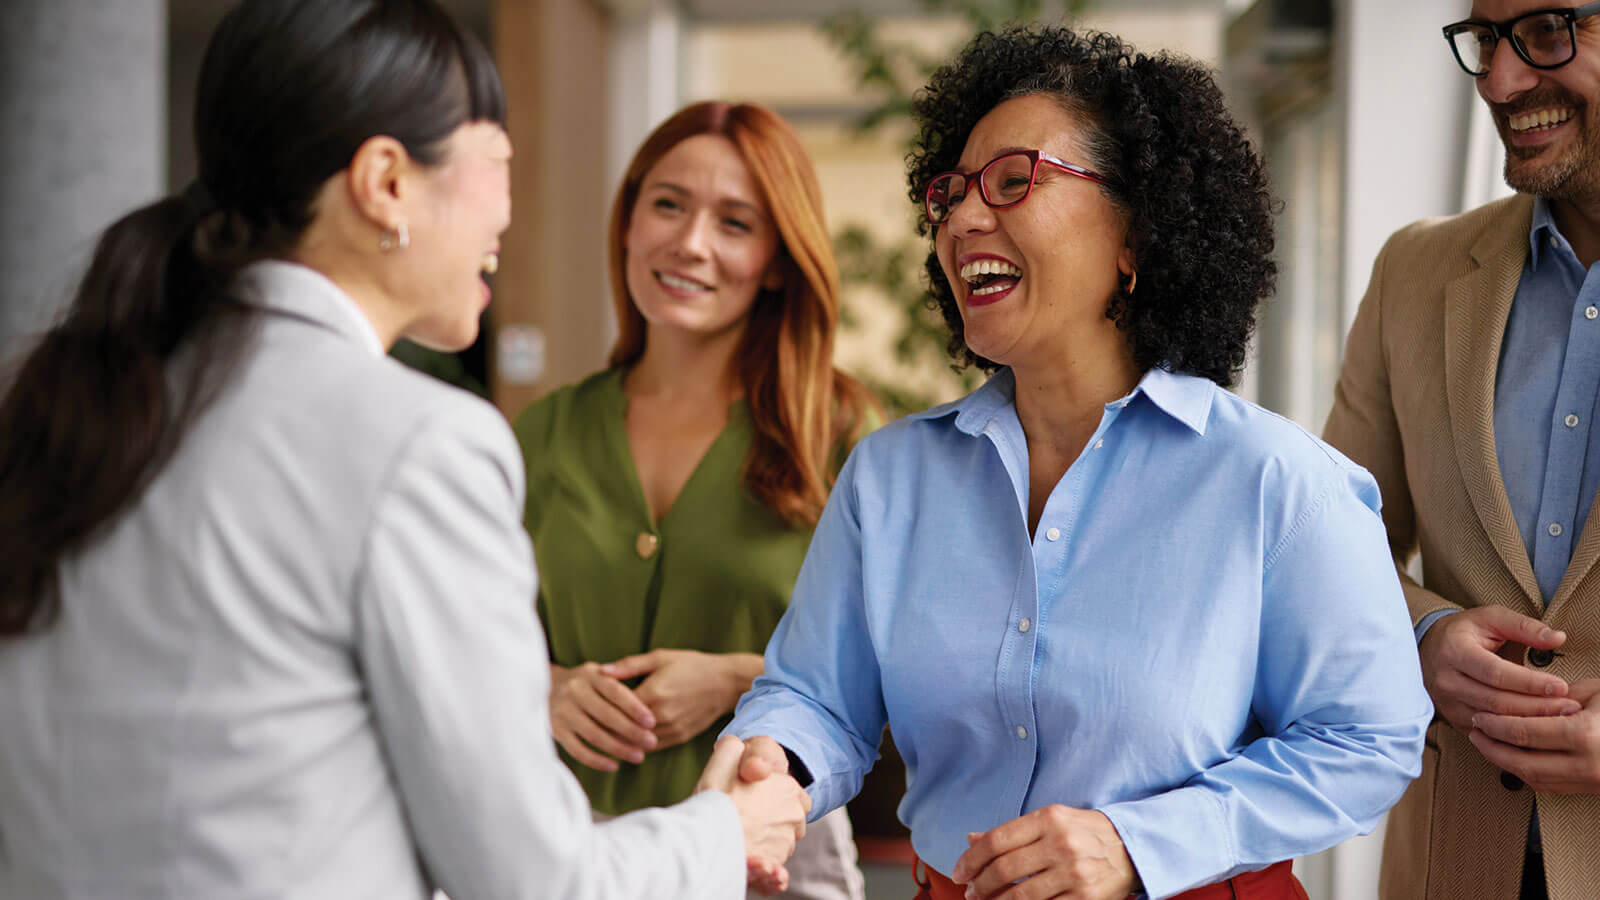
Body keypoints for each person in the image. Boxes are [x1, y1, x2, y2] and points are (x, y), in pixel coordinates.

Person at [0, 2, 807, 898]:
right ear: (386, 180)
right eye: (499, 163)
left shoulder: (82, 401)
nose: (506, 211)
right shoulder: (423, 444)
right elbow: (538, 882)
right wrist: (723, 833)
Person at [719, 25, 1433, 900]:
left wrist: (1138, 843)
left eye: (1015, 182)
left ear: (1137, 235)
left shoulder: (1278, 483)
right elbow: (819, 698)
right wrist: (774, 760)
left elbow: (1368, 738)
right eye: (951, 193)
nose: (964, 218)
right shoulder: (889, 478)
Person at [512, 100, 875, 900]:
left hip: (770, 849)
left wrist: (738, 680)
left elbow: (900, 669)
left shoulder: (843, 434)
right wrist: (546, 686)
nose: (690, 243)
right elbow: (462, 634)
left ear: (779, 258)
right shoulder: (545, 432)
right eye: (668, 204)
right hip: (567, 846)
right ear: (630, 221)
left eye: (735, 223)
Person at [1324, 2, 1600, 898]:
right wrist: (1423, 636)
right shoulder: (1415, 271)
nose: (1499, 80)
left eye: (1550, 32)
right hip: (1454, 862)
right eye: (1486, 40)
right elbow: (1323, 554)